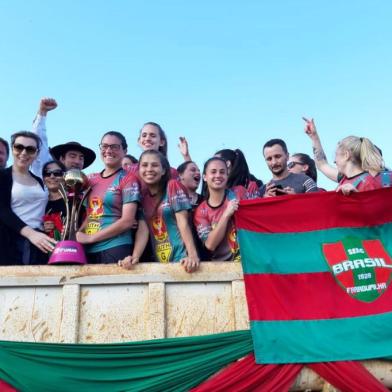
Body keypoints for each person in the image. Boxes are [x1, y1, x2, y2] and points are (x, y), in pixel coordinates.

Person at [76, 131, 146, 264]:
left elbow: (127, 221)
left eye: (114, 147)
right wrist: (78, 235)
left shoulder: (128, 179)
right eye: (105, 146)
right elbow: (90, 215)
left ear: (124, 150)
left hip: (115, 246)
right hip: (88, 249)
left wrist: (91, 238)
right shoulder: (91, 179)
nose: (108, 150)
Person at [126, 149, 199, 272]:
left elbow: (183, 222)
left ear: (164, 170)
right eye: (144, 165)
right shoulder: (142, 195)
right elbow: (143, 230)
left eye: (155, 165)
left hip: (183, 260)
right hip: (161, 263)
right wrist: (135, 257)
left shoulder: (172, 185)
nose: (149, 169)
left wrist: (192, 255)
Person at [0, 132, 57, 265]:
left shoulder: (39, 180)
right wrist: (31, 234)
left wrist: (48, 223)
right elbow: (2, 210)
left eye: (30, 149)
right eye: (19, 147)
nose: (24, 152)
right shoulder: (2, 176)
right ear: (13, 149)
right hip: (11, 243)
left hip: (39, 243)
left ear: (36, 153)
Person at [194, 157, 249, 262]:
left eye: (222, 172)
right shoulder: (200, 211)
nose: (218, 175)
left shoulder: (240, 192)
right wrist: (226, 215)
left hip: (247, 264)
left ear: (227, 176)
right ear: (205, 177)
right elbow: (210, 245)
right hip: (221, 269)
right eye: (213, 172)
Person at [303, 117, 385, 182]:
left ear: (346, 155)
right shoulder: (344, 178)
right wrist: (314, 137)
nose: (334, 161)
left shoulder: (372, 181)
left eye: (336, 155)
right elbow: (322, 164)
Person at [31, 98, 96, 174]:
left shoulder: (86, 184)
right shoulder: (47, 175)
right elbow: (38, 143)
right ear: (62, 159)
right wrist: (42, 112)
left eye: (81, 158)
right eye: (72, 156)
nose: (77, 161)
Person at [42, 160, 67, 239]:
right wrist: (43, 228)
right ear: (43, 178)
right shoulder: (39, 203)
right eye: (47, 173)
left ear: (64, 176)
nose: (52, 176)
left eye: (57, 173)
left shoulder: (74, 201)